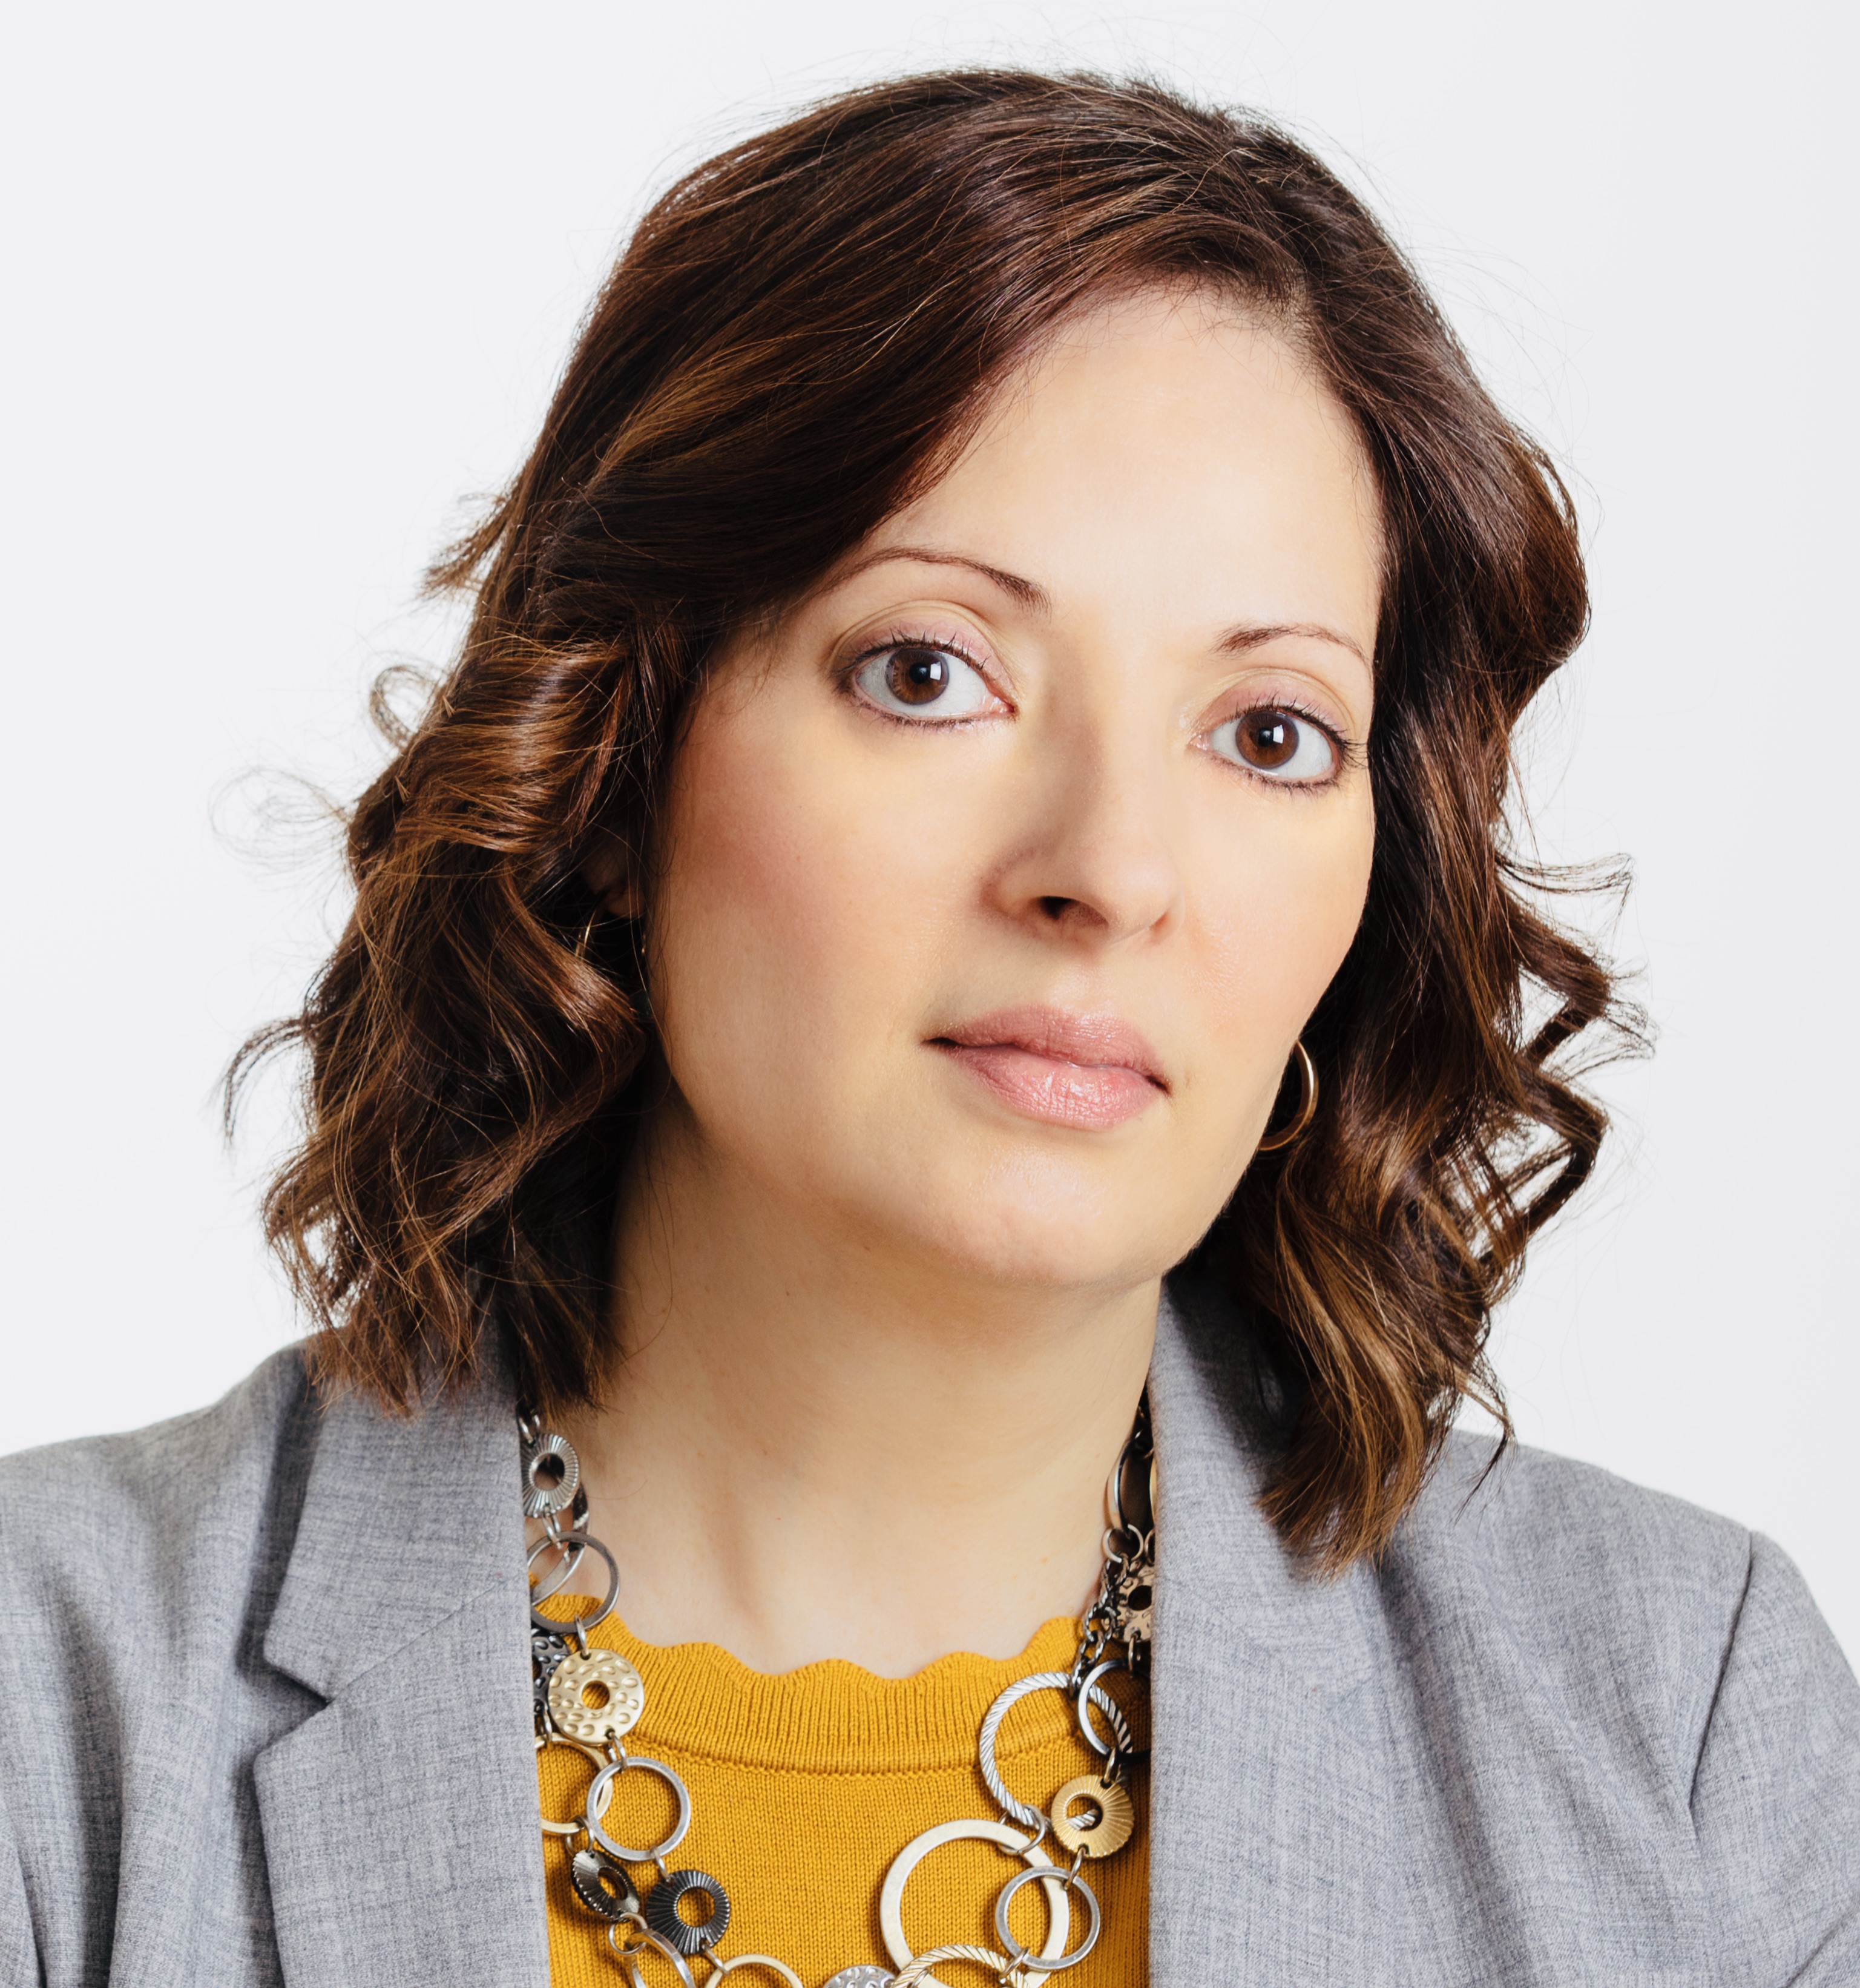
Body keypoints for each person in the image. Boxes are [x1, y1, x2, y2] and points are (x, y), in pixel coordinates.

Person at [2, 67, 1855, 1988]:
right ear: (613, 760)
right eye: (928, 670)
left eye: (1268, 733)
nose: (1110, 869)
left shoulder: (1688, 1731)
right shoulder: (49, 1722)